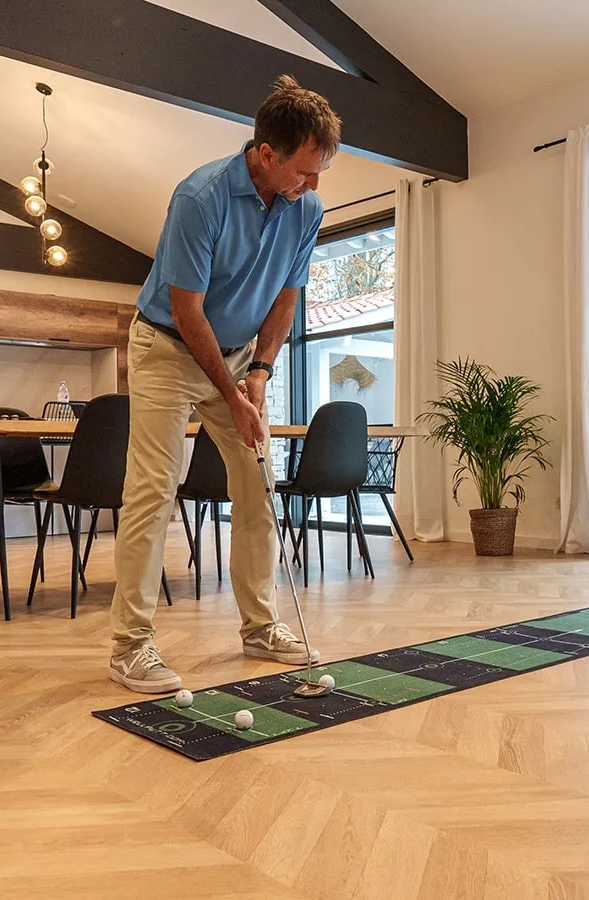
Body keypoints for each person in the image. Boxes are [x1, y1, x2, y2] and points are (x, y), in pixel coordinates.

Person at [108, 75, 340, 693]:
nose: (313, 185)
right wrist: (232, 397)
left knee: (259, 488)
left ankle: (260, 628)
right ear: (266, 153)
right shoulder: (200, 197)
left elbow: (287, 298)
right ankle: (131, 646)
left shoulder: (306, 209)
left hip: (238, 357)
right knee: (154, 492)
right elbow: (187, 310)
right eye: (304, 170)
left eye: (319, 173)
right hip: (166, 348)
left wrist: (259, 374)